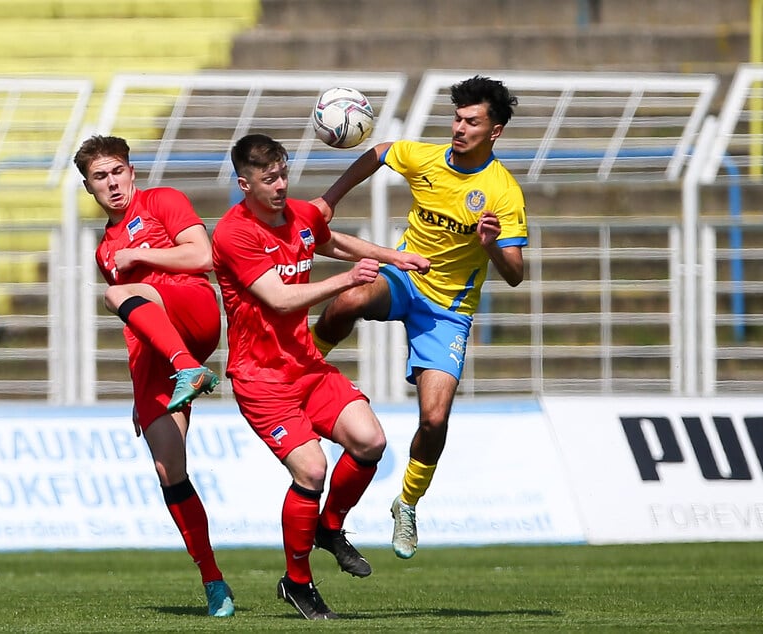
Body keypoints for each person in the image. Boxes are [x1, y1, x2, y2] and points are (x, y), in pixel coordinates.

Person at [309, 75, 529, 560]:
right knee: (347, 299)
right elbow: (380, 151)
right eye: (457, 118)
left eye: (472, 121)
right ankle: (303, 364)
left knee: (433, 418)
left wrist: (491, 245)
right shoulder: (426, 159)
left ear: (494, 132)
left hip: (449, 312)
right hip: (406, 277)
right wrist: (329, 200)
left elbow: (514, 274)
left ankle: (406, 503)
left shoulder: (502, 192)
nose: (459, 127)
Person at [211, 133, 429, 620]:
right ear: (245, 184)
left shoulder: (299, 215)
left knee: (370, 441)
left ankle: (331, 526)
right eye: (269, 179)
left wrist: (397, 258)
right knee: (311, 469)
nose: (281, 185)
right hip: (261, 378)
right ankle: (298, 581)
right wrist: (347, 281)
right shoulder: (233, 234)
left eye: (284, 174)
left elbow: (330, 239)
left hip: (306, 366)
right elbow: (281, 298)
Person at [73, 135, 233, 618]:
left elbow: (201, 257)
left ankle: (189, 367)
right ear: (89, 188)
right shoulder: (105, 249)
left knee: (115, 296)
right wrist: (140, 390)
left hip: (194, 309)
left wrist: (141, 256)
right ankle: (213, 581)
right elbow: (139, 319)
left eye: (117, 171)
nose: (112, 183)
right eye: (100, 177)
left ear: (132, 171)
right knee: (169, 468)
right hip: (158, 348)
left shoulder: (162, 201)